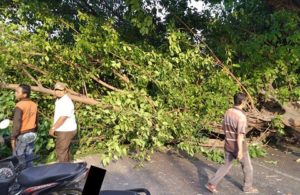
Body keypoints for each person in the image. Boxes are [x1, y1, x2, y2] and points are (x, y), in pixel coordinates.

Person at [205, 93, 258, 193]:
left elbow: (223, 127)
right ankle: (248, 188)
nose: (246, 103)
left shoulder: (228, 111)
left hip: (228, 143)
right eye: (245, 101)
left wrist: (229, 137)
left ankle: (211, 184)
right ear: (242, 102)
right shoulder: (241, 117)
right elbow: (240, 136)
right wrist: (240, 151)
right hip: (238, 145)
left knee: (226, 166)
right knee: (248, 167)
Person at [49, 82, 77, 162]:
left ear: (65, 90)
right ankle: (69, 169)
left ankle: (63, 171)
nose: (58, 92)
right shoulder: (59, 100)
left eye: (61, 90)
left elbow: (63, 117)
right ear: (54, 90)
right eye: (57, 90)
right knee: (65, 151)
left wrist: (53, 128)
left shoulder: (66, 101)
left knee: (61, 151)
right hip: (65, 129)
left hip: (66, 130)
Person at [12, 84, 38, 167]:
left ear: (24, 94)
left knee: (19, 156)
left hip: (22, 134)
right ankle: (30, 174)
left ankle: (21, 176)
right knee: (29, 156)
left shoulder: (19, 105)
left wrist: (13, 137)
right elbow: (36, 120)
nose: (15, 93)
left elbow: (17, 123)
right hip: (32, 133)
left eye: (17, 92)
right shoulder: (34, 104)